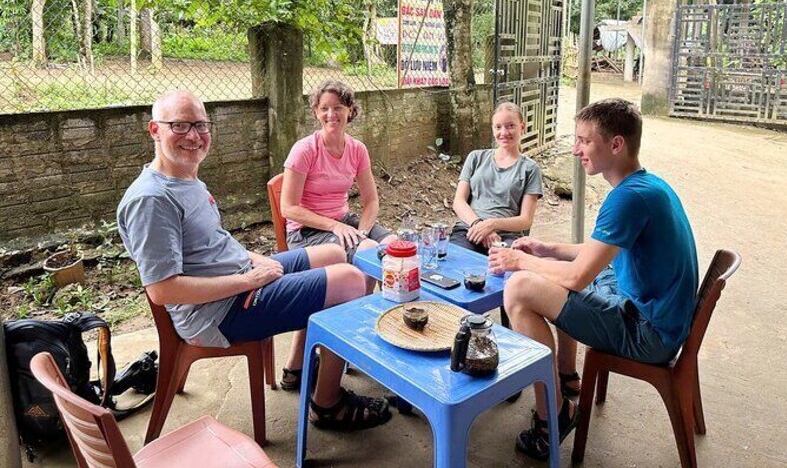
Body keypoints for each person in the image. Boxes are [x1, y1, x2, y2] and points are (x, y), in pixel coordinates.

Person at [117, 90, 391, 432]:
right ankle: (327, 405)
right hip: (217, 312)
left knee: (333, 254)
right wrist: (249, 280)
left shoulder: (184, 178)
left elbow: (215, 244)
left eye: (201, 125)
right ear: (155, 130)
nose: (193, 135)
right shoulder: (152, 200)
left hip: (238, 281)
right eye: (179, 125)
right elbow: (163, 289)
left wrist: (260, 262)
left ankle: (296, 369)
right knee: (350, 281)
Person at [490, 98, 698, 459]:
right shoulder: (648, 186)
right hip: (658, 314)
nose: (576, 150)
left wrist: (519, 260)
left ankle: (553, 416)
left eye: (584, 141)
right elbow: (594, 254)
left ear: (616, 145)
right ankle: (565, 377)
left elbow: (576, 276)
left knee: (520, 289)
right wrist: (547, 248)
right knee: (547, 280)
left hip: (649, 333)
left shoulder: (627, 200)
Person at [280, 80, 396, 271]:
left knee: (392, 244)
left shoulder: (358, 149)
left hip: (344, 222)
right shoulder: (304, 150)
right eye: (324, 108)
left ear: (350, 110)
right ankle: (364, 300)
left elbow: (371, 201)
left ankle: (391, 299)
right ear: (316, 111)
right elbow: (288, 208)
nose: (331, 114)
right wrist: (335, 227)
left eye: (338, 107)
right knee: (368, 250)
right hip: (306, 232)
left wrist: (363, 231)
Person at [451, 102, 543, 254]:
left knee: (502, 271)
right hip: (468, 230)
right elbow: (459, 201)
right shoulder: (476, 157)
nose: (504, 132)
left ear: (522, 127)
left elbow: (526, 220)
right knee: (455, 268)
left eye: (510, 126)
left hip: (506, 237)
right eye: (498, 127)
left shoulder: (530, 168)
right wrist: (479, 225)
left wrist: (492, 224)